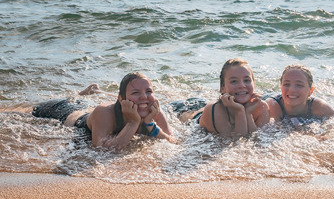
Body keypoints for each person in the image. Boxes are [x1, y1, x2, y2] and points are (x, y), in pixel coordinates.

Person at [32, 72, 176, 149]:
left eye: (148, 91)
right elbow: (102, 149)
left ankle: (89, 92)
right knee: (27, 111)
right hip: (63, 111)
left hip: (86, 109)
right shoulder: (104, 112)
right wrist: (133, 122)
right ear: (121, 99)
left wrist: (150, 123)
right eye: (136, 93)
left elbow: (172, 142)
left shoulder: (153, 111)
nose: (144, 97)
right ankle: (80, 95)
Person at [189, 58, 270, 136]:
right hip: (192, 113)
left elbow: (256, 141)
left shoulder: (262, 107)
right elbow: (236, 143)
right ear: (222, 88)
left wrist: (248, 114)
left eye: (246, 80)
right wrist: (240, 112)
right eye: (234, 81)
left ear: (254, 84)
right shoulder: (213, 109)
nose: (242, 85)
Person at [266, 64, 334, 126]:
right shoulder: (272, 106)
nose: (291, 89)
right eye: (286, 84)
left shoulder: (319, 107)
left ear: (310, 91)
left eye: (299, 85)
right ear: (281, 87)